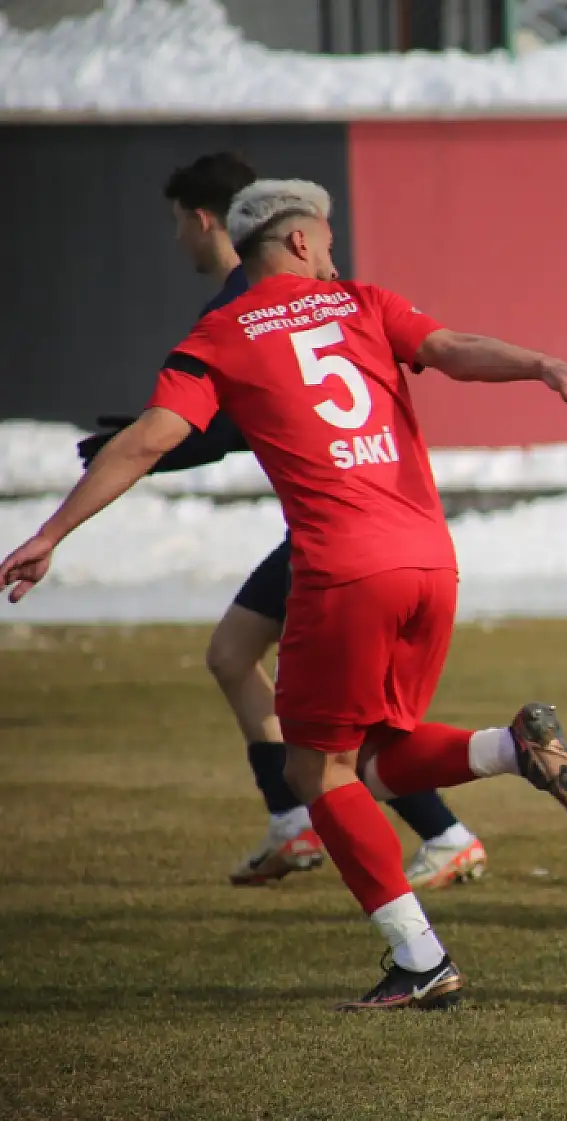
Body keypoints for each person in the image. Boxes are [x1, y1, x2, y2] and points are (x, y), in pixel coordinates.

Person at [2, 179, 567, 1010]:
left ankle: (419, 958)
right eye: (325, 241)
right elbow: (455, 347)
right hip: (430, 560)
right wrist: (545, 364)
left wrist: (50, 534)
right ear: (295, 243)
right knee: (375, 758)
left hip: (343, 569)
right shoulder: (364, 304)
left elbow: (149, 438)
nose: (333, 255)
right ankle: (513, 749)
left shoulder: (219, 333)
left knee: (316, 770)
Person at [76, 152, 487, 890]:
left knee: (340, 738)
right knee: (235, 656)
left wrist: (142, 451)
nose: (179, 241)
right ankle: (297, 820)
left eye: (179, 224)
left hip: (337, 536)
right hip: (380, 532)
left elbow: (233, 423)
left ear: (206, 220)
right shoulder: (334, 298)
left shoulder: (240, 311)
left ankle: (448, 818)